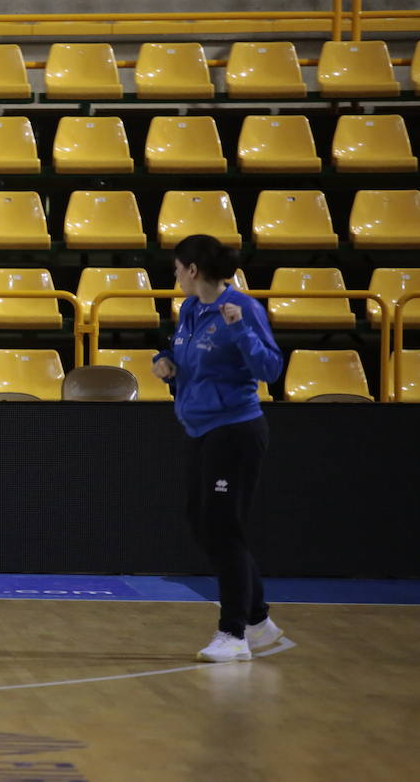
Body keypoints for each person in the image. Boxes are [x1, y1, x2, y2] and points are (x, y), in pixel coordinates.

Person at [152, 234, 285, 663]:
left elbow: (270, 369)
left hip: (236, 430)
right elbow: (183, 354)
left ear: (193, 270)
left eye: (177, 268)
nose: (174, 276)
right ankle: (259, 620)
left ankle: (234, 633)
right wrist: (166, 363)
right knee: (202, 521)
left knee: (224, 528)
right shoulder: (191, 308)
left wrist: (240, 330)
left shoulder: (242, 309)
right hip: (200, 429)